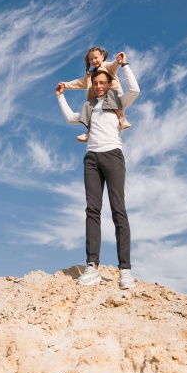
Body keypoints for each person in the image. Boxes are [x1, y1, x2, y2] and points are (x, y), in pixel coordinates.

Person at [55, 52, 140, 289]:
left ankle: (125, 270)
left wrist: (124, 66)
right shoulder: (90, 105)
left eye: (103, 83)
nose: (99, 86)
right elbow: (72, 118)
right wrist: (61, 97)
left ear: (110, 84)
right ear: (92, 86)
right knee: (92, 210)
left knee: (118, 211)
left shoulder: (117, 103)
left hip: (113, 155)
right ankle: (92, 266)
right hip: (91, 158)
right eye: (96, 84)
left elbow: (135, 91)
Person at [62, 46, 132, 143]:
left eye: (96, 58)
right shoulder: (89, 76)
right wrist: (65, 85)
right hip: (99, 99)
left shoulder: (107, 66)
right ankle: (89, 131)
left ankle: (121, 119)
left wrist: (118, 60)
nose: (94, 60)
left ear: (102, 57)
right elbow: (78, 82)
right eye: (91, 59)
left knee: (110, 93)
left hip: (113, 96)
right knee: (88, 104)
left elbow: (114, 65)